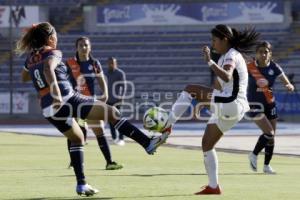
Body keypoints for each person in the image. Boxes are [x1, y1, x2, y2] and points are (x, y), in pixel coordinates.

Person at [17, 22, 166, 196]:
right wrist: (57, 94)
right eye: (56, 35)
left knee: (78, 139)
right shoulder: (53, 52)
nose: (57, 38)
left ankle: (82, 184)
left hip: (48, 108)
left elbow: (24, 77)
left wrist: (43, 81)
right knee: (112, 113)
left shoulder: (31, 57)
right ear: (50, 38)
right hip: (66, 99)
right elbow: (48, 69)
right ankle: (148, 143)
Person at [162, 24, 260, 195]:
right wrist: (203, 102)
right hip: (235, 107)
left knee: (190, 88)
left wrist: (209, 61)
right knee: (207, 144)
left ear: (225, 39)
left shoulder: (230, 56)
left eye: (215, 40)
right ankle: (214, 187)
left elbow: (227, 75)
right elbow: (216, 87)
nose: (213, 44)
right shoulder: (227, 56)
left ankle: (168, 124)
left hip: (232, 102)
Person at [66, 36, 122, 170]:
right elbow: (64, 81)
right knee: (75, 133)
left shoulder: (95, 63)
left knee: (100, 131)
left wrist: (106, 94)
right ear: (76, 48)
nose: (84, 47)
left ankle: (109, 162)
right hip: (75, 103)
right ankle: (74, 162)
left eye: (86, 45)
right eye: (81, 45)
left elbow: (101, 79)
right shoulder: (69, 63)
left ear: (90, 47)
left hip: (90, 103)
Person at [247, 41, 294, 174]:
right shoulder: (250, 67)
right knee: (269, 132)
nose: (263, 54)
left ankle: (267, 166)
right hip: (254, 105)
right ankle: (254, 154)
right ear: (256, 54)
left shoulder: (275, 67)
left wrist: (289, 86)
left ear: (270, 54)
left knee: (271, 138)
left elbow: (287, 82)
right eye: (260, 52)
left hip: (270, 103)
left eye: (265, 52)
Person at [105, 57, 126, 146]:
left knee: (119, 120)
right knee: (110, 120)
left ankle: (121, 139)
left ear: (115, 63)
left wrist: (121, 97)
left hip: (117, 100)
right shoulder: (105, 73)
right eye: (109, 63)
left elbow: (123, 86)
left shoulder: (120, 73)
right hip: (108, 100)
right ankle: (114, 138)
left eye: (112, 63)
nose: (110, 65)